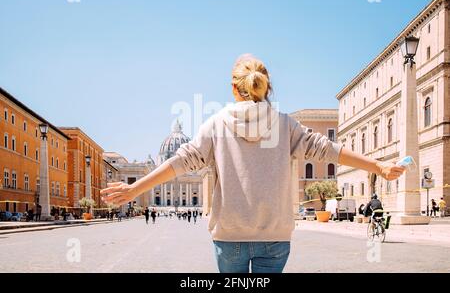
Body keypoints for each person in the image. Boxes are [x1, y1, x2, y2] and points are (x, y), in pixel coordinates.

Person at [101, 54, 405, 273]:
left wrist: (135, 189)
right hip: (274, 236)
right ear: (266, 88)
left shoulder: (216, 125)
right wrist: (378, 166)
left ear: (234, 88)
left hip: (229, 235)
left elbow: (181, 161)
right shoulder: (286, 125)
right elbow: (328, 150)